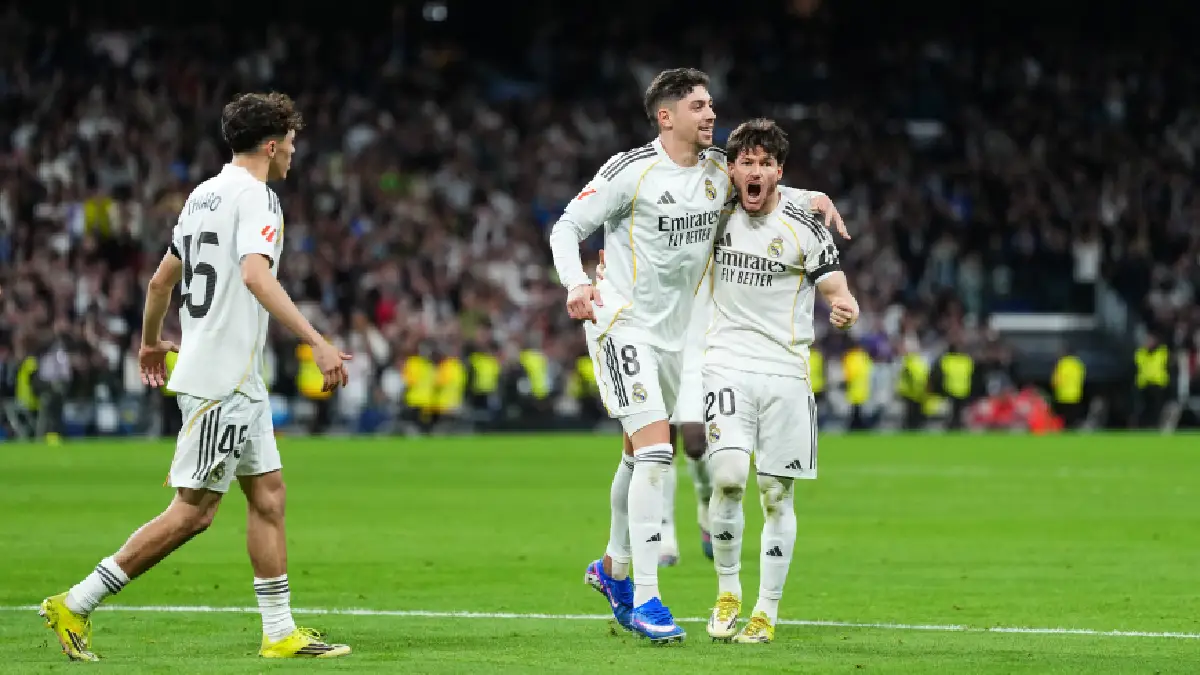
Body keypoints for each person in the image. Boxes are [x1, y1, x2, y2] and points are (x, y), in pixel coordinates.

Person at [38, 92, 353, 661]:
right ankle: (77, 602)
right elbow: (256, 276)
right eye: (293, 143)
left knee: (269, 497)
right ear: (272, 143)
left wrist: (149, 342)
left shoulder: (203, 195)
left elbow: (161, 282)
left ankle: (279, 632)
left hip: (237, 378)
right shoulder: (257, 197)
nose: (295, 154)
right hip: (223, 380)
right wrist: (317, 341)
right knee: (194, 512)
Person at [549, 67, 731, 643]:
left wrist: (811, 199)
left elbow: (765, 192)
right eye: (699, 106)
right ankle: (649, 600)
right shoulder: (631, 171)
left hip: (680, 335)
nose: (710, 114)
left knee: (637, 454)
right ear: (667, 115)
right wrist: (576, 284)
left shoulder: (718, 171)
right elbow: (566, 227)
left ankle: (612, 567)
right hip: (621, 325)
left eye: (711, 105)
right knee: (657, 451)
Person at [700, 119, 859, 644]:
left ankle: (766, 610)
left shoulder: (804, 223)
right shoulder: (712, 209)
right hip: (725, 362)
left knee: (775, 494)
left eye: (765, 163)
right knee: (726, 477)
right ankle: (727, 591)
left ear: (778, 173)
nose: (755, 171)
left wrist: (843, 301)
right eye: (746, 161)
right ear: (732, 168)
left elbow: (833, 280)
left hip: (787, 372)